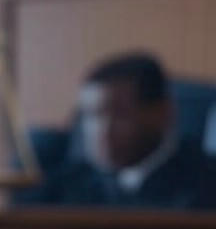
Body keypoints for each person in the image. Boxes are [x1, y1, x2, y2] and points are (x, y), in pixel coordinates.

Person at [18, 52, 216, 208]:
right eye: (91, 116)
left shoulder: (206, 185)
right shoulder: (61, 189)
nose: (101, 130)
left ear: (163, 113)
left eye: (120, 115)